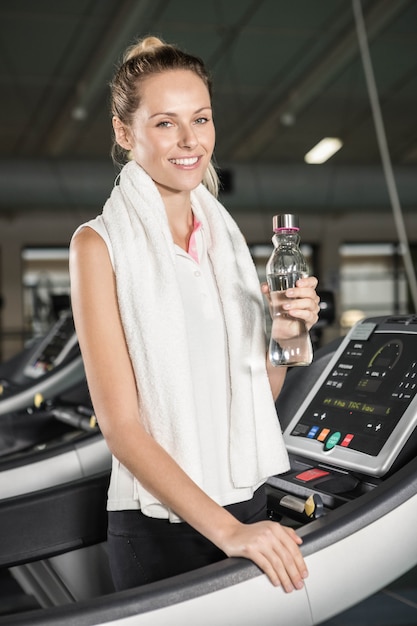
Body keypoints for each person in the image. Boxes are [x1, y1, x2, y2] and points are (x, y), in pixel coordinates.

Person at [69, 35, 320, 593]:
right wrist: (229, 533)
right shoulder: (98, 245)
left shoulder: (224, 244)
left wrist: (285, 332)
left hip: (249, 502)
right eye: (165, 123)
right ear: (123, 131)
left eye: (201, 119)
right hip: (161, 529)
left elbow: (259, 394)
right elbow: (121, 427)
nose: (190, 141)